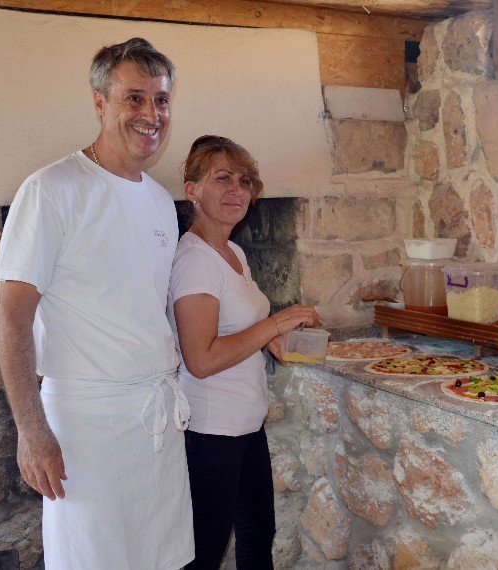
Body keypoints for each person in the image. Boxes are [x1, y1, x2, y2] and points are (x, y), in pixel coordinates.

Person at [0, 38, 193, 569]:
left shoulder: (157, 200)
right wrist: (32, 433)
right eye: (134, 98)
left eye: (162, 99)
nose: (151, 114)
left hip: (156, 419)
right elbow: (12, 319)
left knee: (162, 560)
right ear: (100, 102)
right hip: (86, 427)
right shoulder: (52, 190)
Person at [168, 135, 320, 569]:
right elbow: (201, 359)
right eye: (223, 179)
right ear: (192, 189)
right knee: (205, 552)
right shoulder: (195, 260)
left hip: (244, 424)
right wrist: (274, 323)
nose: (237, 191)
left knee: (258, 535)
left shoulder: (232, 253)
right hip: (210, 429)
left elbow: (241, 328)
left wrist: (274, 337)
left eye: (245, 181)